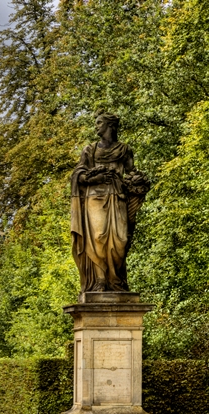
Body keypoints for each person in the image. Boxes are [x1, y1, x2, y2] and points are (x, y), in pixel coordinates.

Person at [71, 110, 148, 293]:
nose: (96, 126)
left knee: (120, 240)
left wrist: (138, 180)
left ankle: (116, 281)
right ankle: (100, 280)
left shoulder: (124, 150)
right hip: (95, 198)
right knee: (98, 238)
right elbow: (78, 175)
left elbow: (131, 172)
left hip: (117, 196)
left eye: (99, 123)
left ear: (110, 126)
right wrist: (93, 178)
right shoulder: (90, 150)